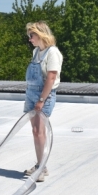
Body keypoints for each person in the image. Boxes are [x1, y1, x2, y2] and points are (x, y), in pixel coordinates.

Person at [23, 21, 63, 182]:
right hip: (31, 94)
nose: (30, 39)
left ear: (40, 35)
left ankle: (41, 168)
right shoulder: (36, 52)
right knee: (35, 131)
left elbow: (51, 78)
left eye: (31, 36)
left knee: (40, 132)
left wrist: (41, 99)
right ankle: (40, 164)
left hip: (44, 95)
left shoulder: (52, 53)